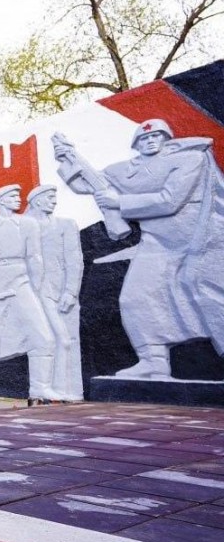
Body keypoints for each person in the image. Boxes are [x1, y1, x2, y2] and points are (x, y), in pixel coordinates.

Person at [55, 120, 224, 378]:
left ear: (167, 138)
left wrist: (119, 202)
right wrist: (67, 161)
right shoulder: (127, 170)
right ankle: (153, 361)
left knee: (210, 296)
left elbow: (171, 201)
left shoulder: (190, 159)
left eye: (156, 135)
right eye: (144, 138)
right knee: (135, 298)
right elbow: (89, 184)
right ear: (136, 143)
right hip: (156, 243)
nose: (150, 141)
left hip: (199, 240)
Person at [0, 184, 64, 401]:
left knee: (42, 334)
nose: (18, 199)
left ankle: (40, 388)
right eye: (13, 196)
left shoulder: (28, 224)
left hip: (21, 280)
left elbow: (34, 256)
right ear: (1, 200)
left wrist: (37, 285)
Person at [24, 185, 83, 399]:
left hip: (61, 292)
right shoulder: (23, 226)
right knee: (49, 339)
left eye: (55, 197)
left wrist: (70, 291)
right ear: (37, 201)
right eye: (50, 197)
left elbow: (74, 260)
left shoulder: (65, 225)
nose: (54, 201)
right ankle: (46, 388)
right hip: (34, 293)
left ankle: (67, 389)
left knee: (67, 341)